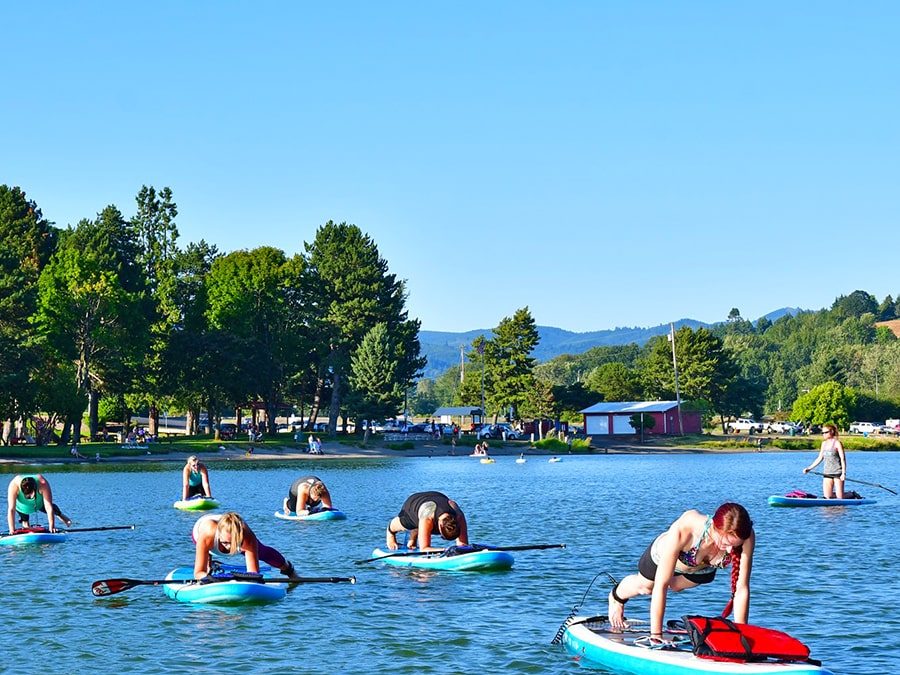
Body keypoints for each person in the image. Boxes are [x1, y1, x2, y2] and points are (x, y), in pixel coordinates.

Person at [607, 502, 755, 641]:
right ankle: (616, 597)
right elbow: (661, 585)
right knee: (647, 587)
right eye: (726, 543)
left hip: (701, 571)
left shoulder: (746, 535)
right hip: (661, 557)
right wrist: (656, 635)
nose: (730, 550)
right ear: (715, 528)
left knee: (676, 586)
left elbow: (741, 589)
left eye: (734, 546)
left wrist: (742, 636)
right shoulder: (687, 528)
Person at [192, 512, 298, 580]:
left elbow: (253, 573)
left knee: (262, 552)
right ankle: (209, 564)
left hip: (235, 530)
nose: (229, 548)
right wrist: (212, 578)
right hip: (200, 531)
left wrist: (243, 578)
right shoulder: (208, 534)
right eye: (225, 543)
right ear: (219, 535)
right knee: (205, 569)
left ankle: (290, 570)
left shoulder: (247, 536)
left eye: (233, 543)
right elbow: (198, 573)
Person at [385, 491, 469, 551]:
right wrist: (446, 550)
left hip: (437, 496)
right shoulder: (427, 517)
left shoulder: (459, 516)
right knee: (405, 524)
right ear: (440, 526)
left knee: (423, 527)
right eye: (442, 537)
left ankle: (413, 539)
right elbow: (424, 548)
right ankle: (390, 532)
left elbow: (463, 545)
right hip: (413, 504)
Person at [7, 474, 72, 533]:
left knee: (52, 508)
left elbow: (49, 508)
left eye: (30, 494)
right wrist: (12, 530)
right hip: (22, 506)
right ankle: (26, 524)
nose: (28, 496)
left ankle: (62, 516)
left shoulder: (42, 483)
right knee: (25, 522)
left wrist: (52, 527)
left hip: (39, 502)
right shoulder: (14, 485)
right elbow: (11, 509)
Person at [803, 423, 846, 498]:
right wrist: (809, 468)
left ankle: (852, 494)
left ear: (831, 432)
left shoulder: (837, 443)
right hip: (827, 472)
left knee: (840, 498)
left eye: (825, 432)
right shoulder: (824, 444)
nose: (823, 434)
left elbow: (843, 459)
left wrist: (843, 474)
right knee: (828, 497)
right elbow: (820, 458)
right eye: (822, 433)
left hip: (837, 472)